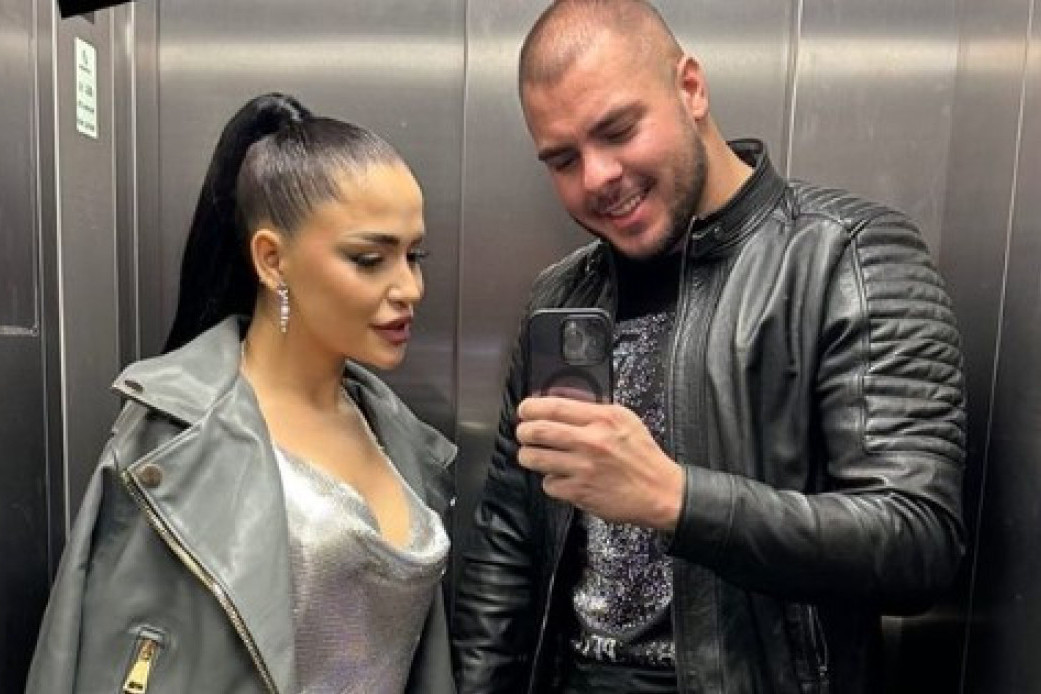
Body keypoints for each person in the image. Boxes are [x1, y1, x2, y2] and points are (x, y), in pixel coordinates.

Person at [452, 1, 967, 692]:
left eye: (618, 130)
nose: (597, 176)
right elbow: (508, 542)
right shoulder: (562, 294)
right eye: (563, 159)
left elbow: (915, 541)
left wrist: (674, 498)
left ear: (690, 88)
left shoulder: (841, 255)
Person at [27, 93, 456, 694]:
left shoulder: (405, 440)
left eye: (414, 255)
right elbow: (98, 658)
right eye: (369, 259)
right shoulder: (173, 440)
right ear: (272, 260)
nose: (410, 287)